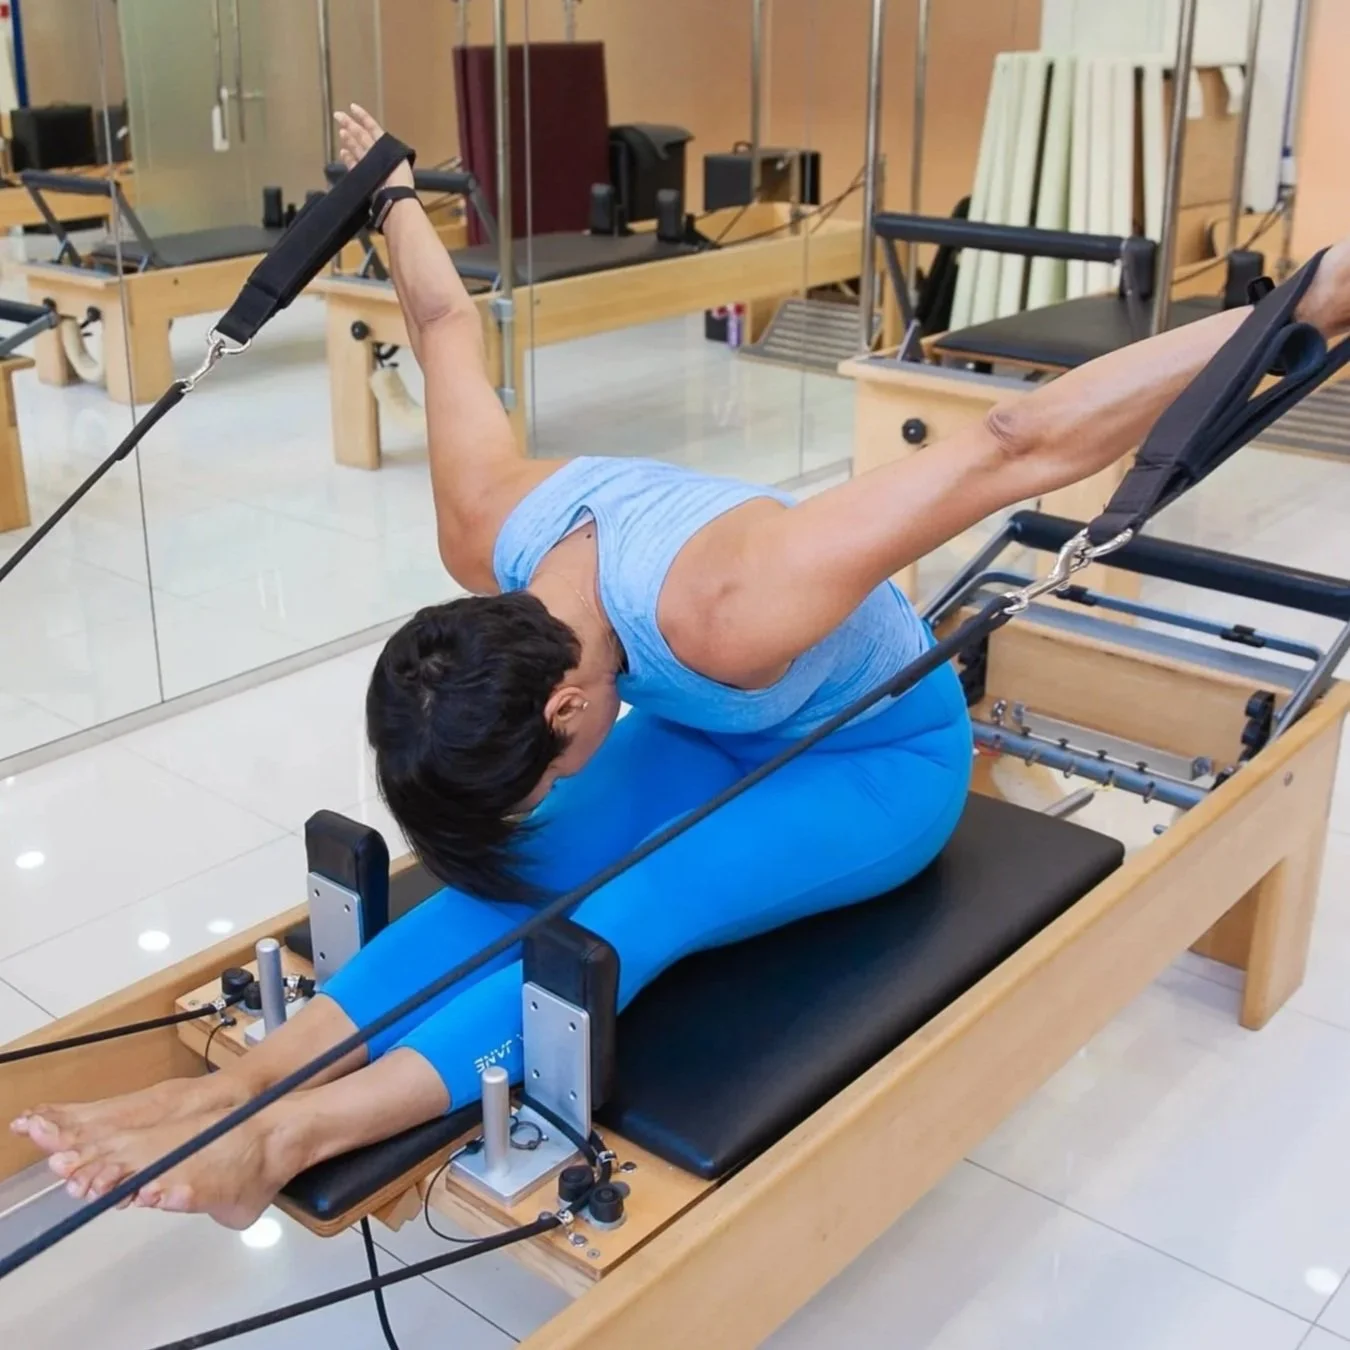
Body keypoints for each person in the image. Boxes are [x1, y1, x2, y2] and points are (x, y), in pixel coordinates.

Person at [13, 106, 1350, 1231]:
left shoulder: (729, 608)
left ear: (565, 701)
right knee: (520, 875)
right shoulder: (489, 526)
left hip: (871, 760)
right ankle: (232, 1084)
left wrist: (1305, 301)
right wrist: (396, 190)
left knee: (621, 910)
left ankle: (283, 1139)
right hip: (712, 728)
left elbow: (1012, 440)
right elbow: (440, 327)